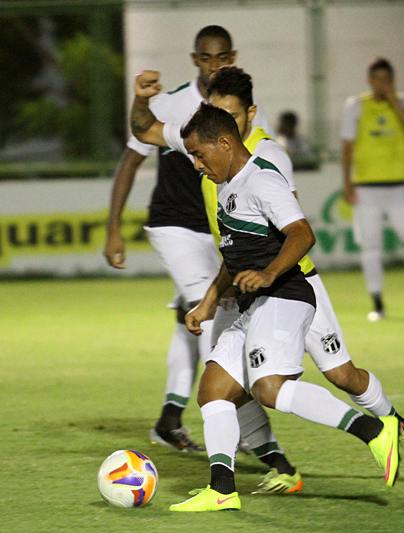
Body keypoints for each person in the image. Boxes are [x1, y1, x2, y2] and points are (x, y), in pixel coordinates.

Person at [131, 65, 404, 479]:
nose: (225, 124)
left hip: (290, 281)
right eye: (215, 111)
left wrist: (267, 272)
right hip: (243, 281)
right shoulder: (205, 144)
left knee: (340, 375)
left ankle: (397, 428)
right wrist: (141, 97)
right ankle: (275, 467)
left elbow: (290, 229)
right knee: (222, 385)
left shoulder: (265, 158)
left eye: (233, 115)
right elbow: (145, 128)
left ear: (250, 114)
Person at [165, 103, 403, 512]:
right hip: (255, 303)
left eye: (200, 155)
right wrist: (206, 303)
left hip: (286, 295)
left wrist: (270, 273)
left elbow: (302, 233)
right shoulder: (227, 185)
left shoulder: (261, 180)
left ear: (224, 142)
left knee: (269, 388)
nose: (197, 165)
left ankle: (374, 431)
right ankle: (222, 489)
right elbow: (234, 254)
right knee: (214, 392)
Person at [104, 25, 267, 452]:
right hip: (174, 227)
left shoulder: (243, 110)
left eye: (222, 58)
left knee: (189, 323)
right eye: (207, 58)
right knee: (215, 316)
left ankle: (168, 421)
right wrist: (112, 229)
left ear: (232, 57)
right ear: (195, 59)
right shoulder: (174, 103)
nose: (215, 66)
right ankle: (249, 433)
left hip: (216, 234)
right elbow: (130, 159)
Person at [340, 57, 404, 321]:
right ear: (369, 81)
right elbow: (347, 146)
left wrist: (394, 100)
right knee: (371, 246)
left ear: (393, 80)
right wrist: (347, 183)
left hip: (398, 186)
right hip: (367, 187)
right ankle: (377, 304)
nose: (383, 84)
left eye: (388, 79)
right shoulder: (356, 106)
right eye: (379, 79)